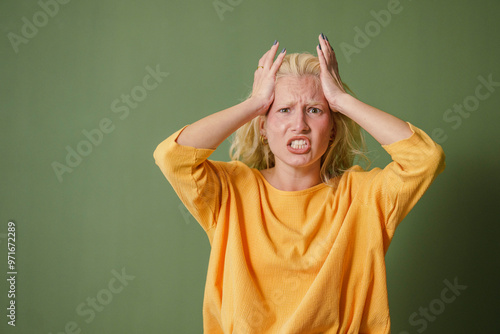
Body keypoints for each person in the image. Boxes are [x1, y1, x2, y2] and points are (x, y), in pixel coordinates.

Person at [153, 34, 445, 333]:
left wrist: (341, 100)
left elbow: (425, 159)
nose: (300, 124)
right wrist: (254, 104)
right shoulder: (231, 191)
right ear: (263, 127)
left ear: (332, 128)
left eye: (315, 110)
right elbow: (172, 156)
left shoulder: (363, 197)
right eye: (284, 109)